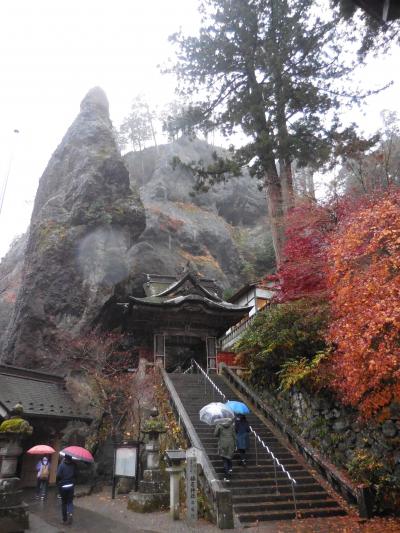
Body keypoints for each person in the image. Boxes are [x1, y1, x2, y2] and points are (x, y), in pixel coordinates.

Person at [56, 454, 76, 525]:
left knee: (64, 503)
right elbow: (75, 475)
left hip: (63, 486)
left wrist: (59, 482)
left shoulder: (61, 465)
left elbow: (58, 475)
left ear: (65, 458)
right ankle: (70, 514)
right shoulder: (73, 465)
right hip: (71, 486)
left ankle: (65, 520)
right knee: (70, 502)